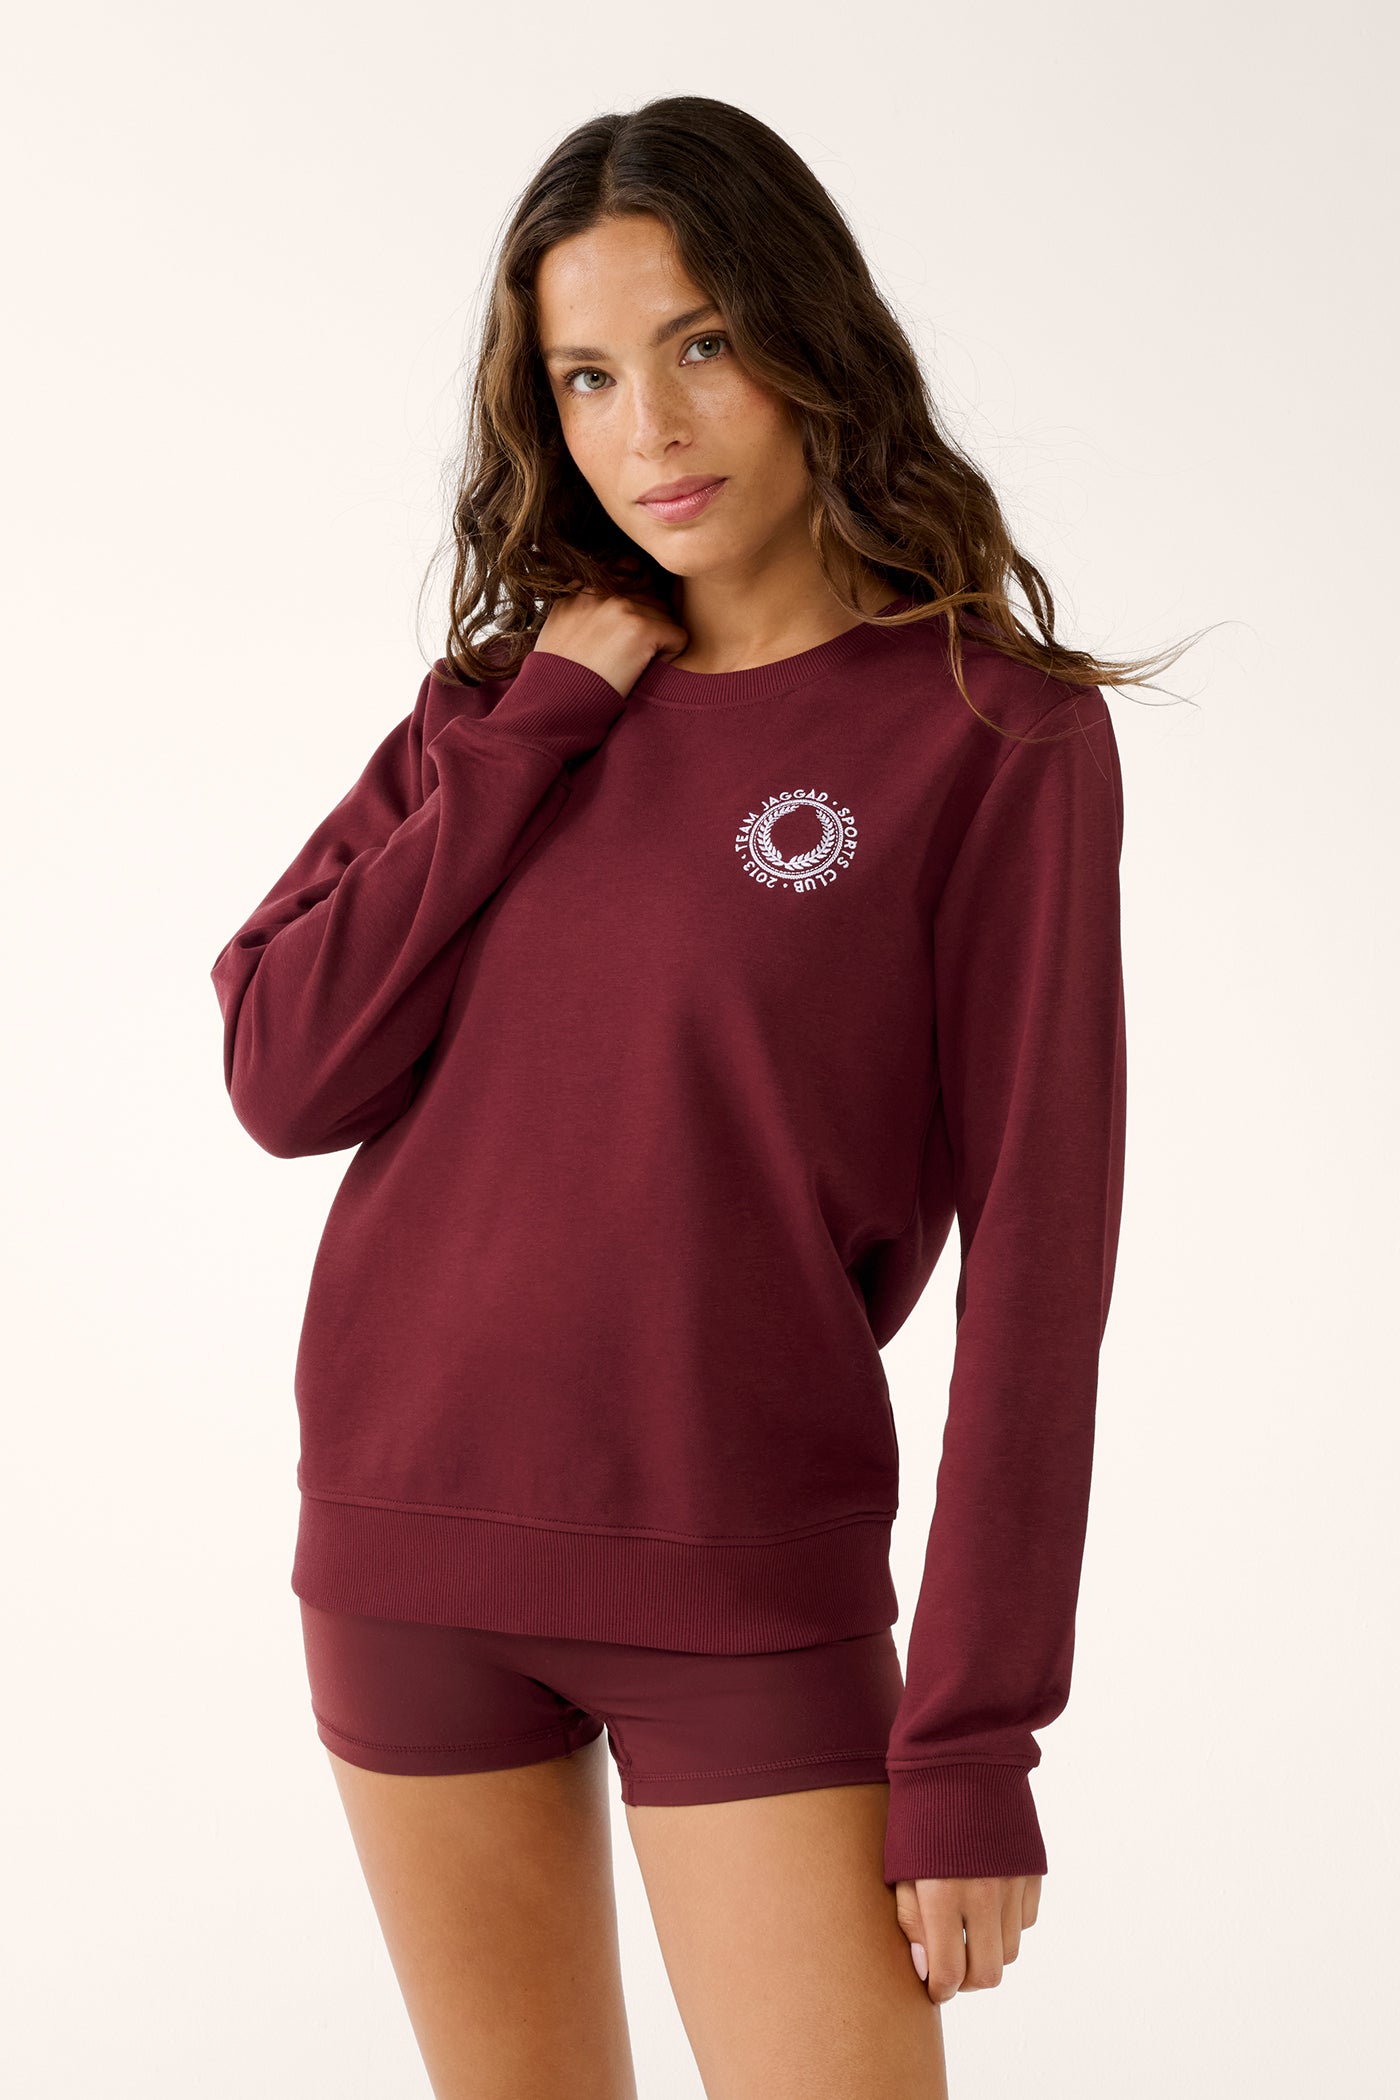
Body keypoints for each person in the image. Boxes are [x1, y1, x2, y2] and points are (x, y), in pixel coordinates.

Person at [209, 93, 1196, 2100]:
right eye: (586, 376)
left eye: (701, 344)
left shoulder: (990, 739)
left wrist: (976, 1735)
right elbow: (283, 1072)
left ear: (811, 339)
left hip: (744, 1583)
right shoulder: (499, 709)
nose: (649, 426)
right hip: (405, 1555)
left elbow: (1041, 1269)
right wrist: (542, 726)